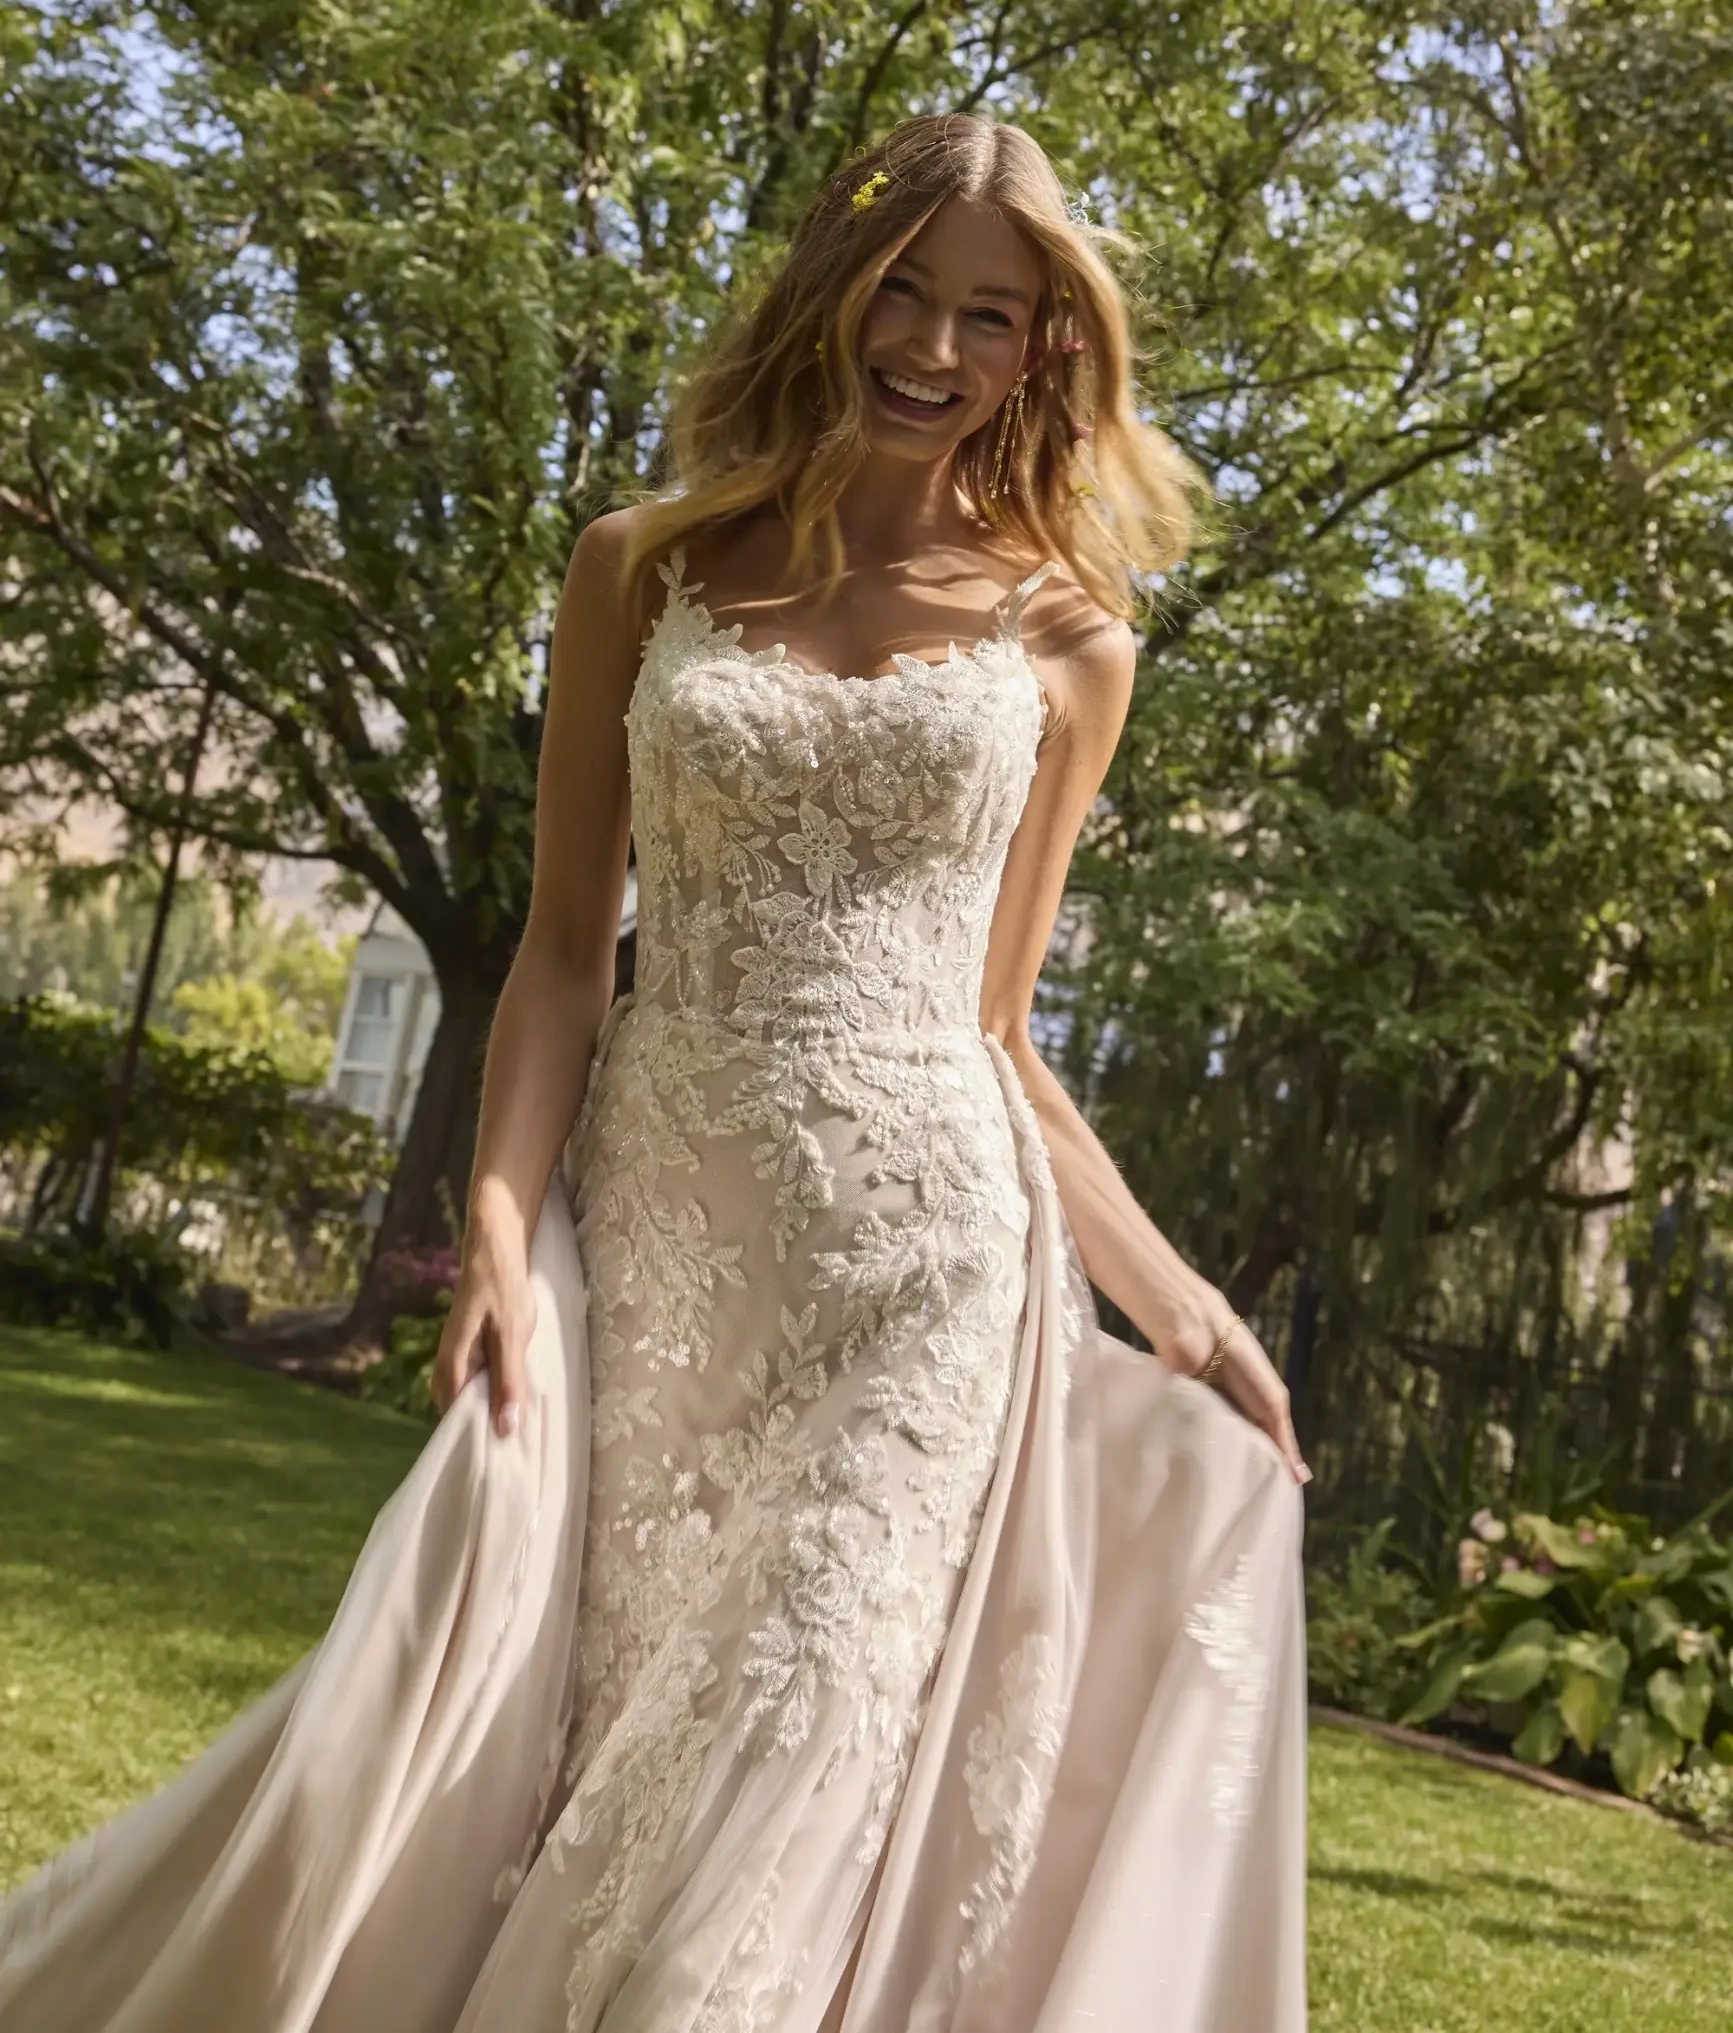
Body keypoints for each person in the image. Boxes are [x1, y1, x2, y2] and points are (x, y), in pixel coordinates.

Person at [0, 112, 1309, 2032]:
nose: (937, 349)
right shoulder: (641, 566)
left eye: (994, 317)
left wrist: (1180, 1307)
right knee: (553, 1731)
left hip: (930, 1282)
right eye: (909, 292)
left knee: (786, 1753)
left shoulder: (1069, 645)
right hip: (662, 1243)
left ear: (1047, 348)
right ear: (833, 283)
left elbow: (997, 1030)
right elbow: (556, 955)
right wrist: (504, 1228)